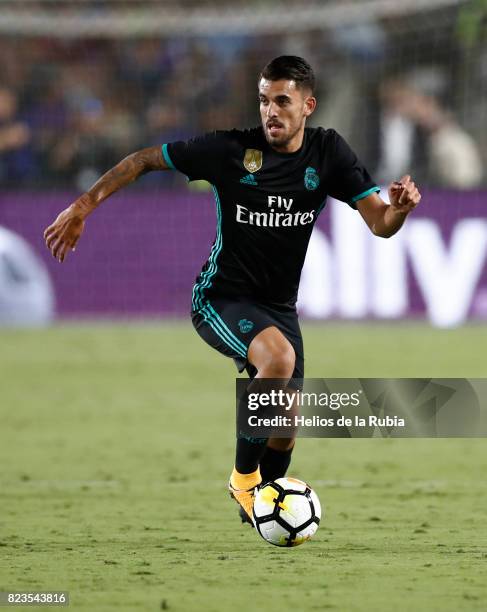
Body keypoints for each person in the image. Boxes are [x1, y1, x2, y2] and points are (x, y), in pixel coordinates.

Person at [44, 56, 421, 525]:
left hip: (279, 308)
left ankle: (263, 505)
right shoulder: (229, 151)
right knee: (278, 362)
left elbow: (381, 224)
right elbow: (142, 160)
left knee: (283, 430)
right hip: (219, 298)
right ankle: (243, 481)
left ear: (308, 106)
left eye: (282, 101)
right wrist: (82, 206)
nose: (270, 111)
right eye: (263, 100)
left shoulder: (328, 154)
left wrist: (399, 210)